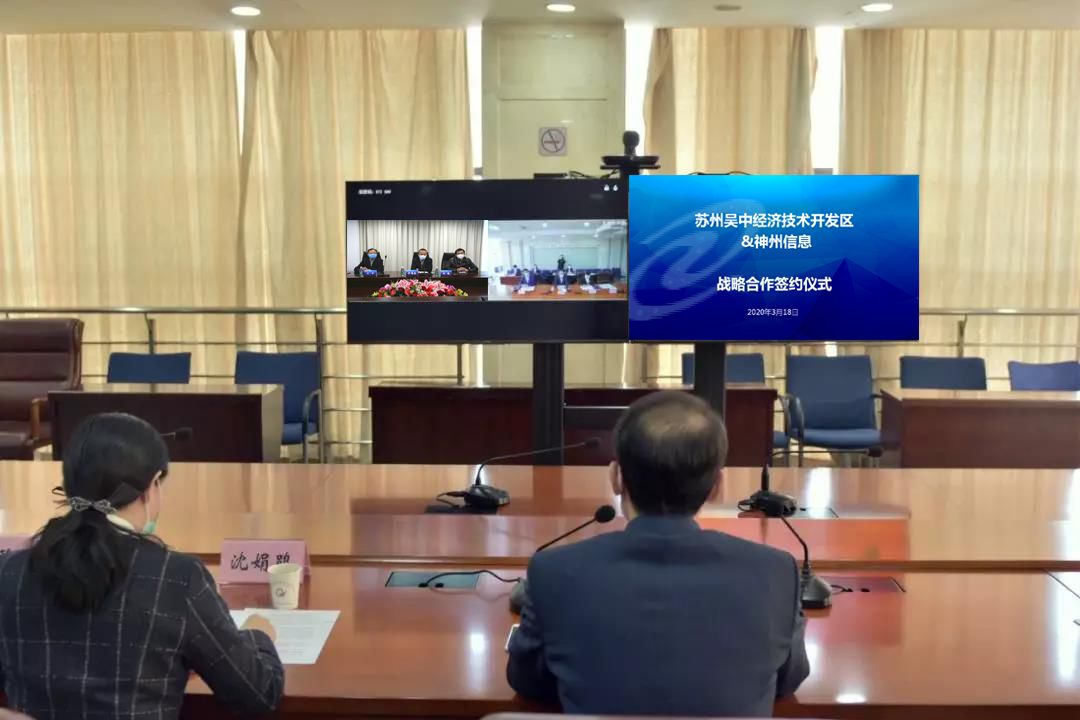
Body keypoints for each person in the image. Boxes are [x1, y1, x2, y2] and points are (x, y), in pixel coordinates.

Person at [507, 392, 809, 716]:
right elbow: (788, 678)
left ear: (616, 477)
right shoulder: (775, 572)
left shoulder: (553, 571)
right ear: (717, 486)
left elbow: (528, 680)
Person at [0, 413, 284, 719]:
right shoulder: (178, 579)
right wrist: (259, 636)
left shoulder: (8, 572)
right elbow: (257, 694)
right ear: (151, 487)